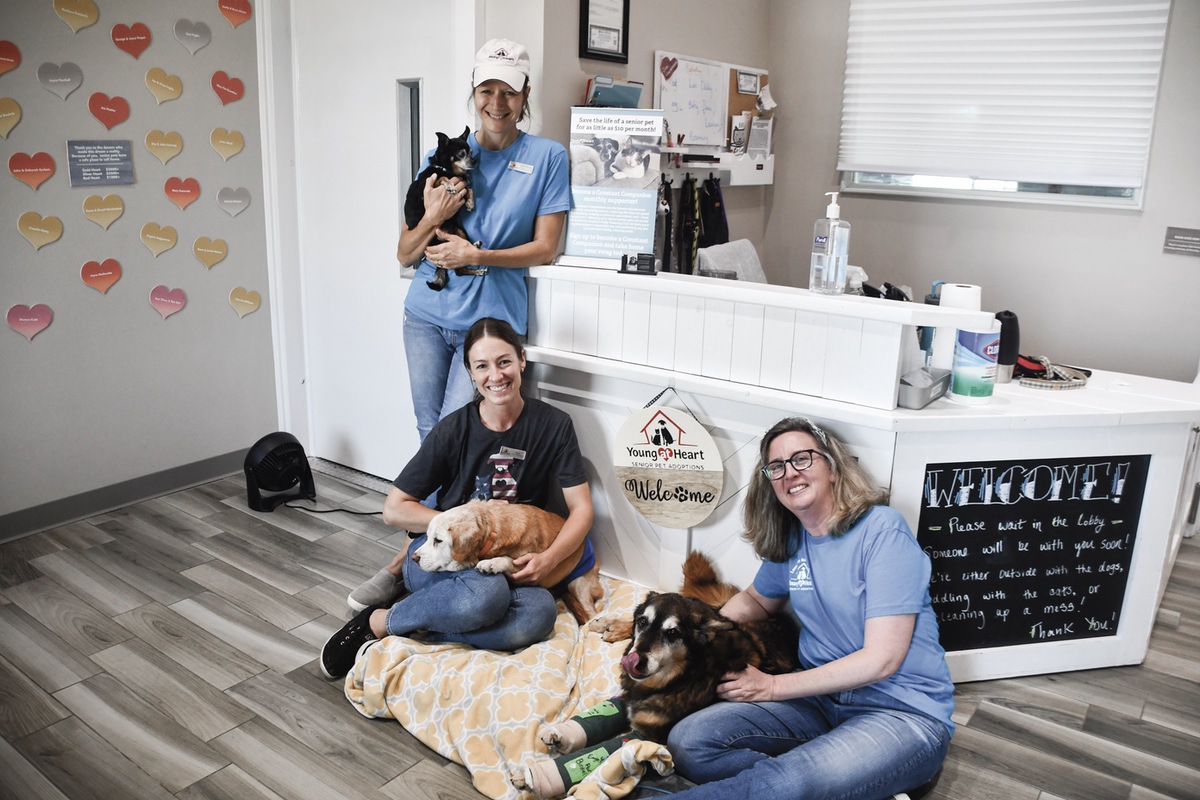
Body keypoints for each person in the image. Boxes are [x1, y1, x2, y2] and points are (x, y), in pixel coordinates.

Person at [664, 417, 954, 800]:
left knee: (788, 780)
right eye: (777, 466)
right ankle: (849, 781)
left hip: (899, 711)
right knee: (689, 743)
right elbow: (754, 600)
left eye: (802, 458)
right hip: (819, 701)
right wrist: (696, 640)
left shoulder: (882, 530)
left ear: (832, 467)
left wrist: (771, 686)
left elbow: (881, 660)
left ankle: (822, 777)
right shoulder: (794, 539)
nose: (789, 473)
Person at [320, 318, 594, 679]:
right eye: (482, 366)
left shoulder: (554, 425)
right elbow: (393, 509)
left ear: (522, 360)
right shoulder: (453, 429)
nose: (495, 375)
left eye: (504, 361)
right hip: (440, 555)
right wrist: (459, 520)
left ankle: (425, 626)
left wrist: (548, 559)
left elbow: (582, 509)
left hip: (505, 562)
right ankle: (379, 622)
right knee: (487, 598)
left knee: (538, 616)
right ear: (470, 372)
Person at [398, 38, 570, 443]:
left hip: (490, 324)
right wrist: (435, 218)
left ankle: (458, 509)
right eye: (487, 91)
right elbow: (406, 253)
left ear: (525, 94)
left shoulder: (548, 158)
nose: (497, 102)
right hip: (425, 316)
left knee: (463, 433)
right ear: (473, 92)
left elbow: (545, 249)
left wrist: (476, 255)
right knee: (430, 432)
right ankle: (437, 509)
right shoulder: (441, 155)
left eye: (509, 92)